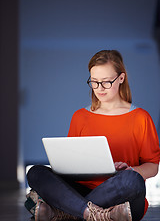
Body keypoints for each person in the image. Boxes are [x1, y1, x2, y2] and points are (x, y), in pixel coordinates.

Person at [25, 50, 160, 221]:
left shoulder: (141, 117)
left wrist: (131, 169)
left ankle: (67, 212)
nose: (99, 88)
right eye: (94, 82)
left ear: (121, 78)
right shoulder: (80, 116)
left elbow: (153, 166)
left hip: (120, 194)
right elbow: (69, 162)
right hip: (81, 190)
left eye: (106, 82)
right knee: (36, 173)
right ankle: (93, 214)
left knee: (133, 180)